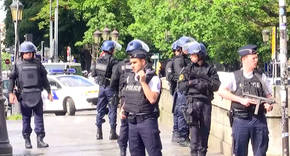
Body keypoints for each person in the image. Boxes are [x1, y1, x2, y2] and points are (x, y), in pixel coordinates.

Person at [218, 44, 273, 156]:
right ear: (244, 59)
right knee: (239, 152)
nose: (256, 60)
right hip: (240, 119)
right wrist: (240, 100)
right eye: (253, 58)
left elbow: (269, 96)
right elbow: (221, 91)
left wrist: (269, 104)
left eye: (256, 57)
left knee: (260, 152)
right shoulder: (235, 76)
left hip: (259, 120)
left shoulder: (261, 77)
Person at [178, 42, 221, 156]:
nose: (191, 57)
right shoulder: (187, 69)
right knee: (194, 136)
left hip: (205, 103)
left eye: (193, 54)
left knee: (204, 134)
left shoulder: (210, 69)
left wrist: (203, 84)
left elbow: (216, 85)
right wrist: (192, 82)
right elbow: (181, 86)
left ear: (200, 55)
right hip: (192, 103)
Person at [8, 41, 53, 149]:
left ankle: (40, 139)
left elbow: (44, 79)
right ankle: (27, 140)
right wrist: (10, 93)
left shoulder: (38, 64)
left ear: (33, 53)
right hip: (24, 95)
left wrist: (49, 92)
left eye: (30, 52)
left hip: (37, 94)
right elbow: (11, 79)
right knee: (26, 119)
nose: (28, 54)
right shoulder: (17, 64)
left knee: (39, 119)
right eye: (26, 53)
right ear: (22, 54)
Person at [121, 40, 162, 156]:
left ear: (143, 62)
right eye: (131, 63)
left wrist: (143, 82)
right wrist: (123, 108)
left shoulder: (152, 79)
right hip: (132, 123)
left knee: (154, 152)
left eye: (135, 62)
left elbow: (152, 99)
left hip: (147, 122)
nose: (132, 65)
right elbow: (128, 95)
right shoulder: (130, 78)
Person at [93, 40, 121, 140]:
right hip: (110, 87)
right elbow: (115, 76)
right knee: (112, 109)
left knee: (100, 109)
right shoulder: (113, 61)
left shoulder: (99, 60)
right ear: (111, 49)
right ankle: (112, 133)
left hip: (101, 88)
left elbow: (93, 73)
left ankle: (98, 133)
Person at [170, 36, 195, 146]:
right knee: (182, 112)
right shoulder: (179, 60)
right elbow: (181, 75)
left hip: (181, 89)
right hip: (182, 90)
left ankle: (178, 135)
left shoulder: (184, 59)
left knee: (179, 112)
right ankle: (182, 137)